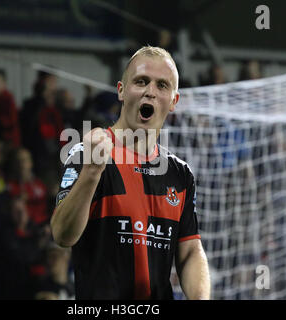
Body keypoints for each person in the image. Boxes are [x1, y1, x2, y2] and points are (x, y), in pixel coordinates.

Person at [51, 46, 210, 300]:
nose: (150, 91)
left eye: (162, 85)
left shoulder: (181, 175)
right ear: (121, 91)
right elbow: (62, 235)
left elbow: (190, 249)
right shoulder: (85, 154)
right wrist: (92, 172)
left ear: (173, 101)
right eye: (141, 81)